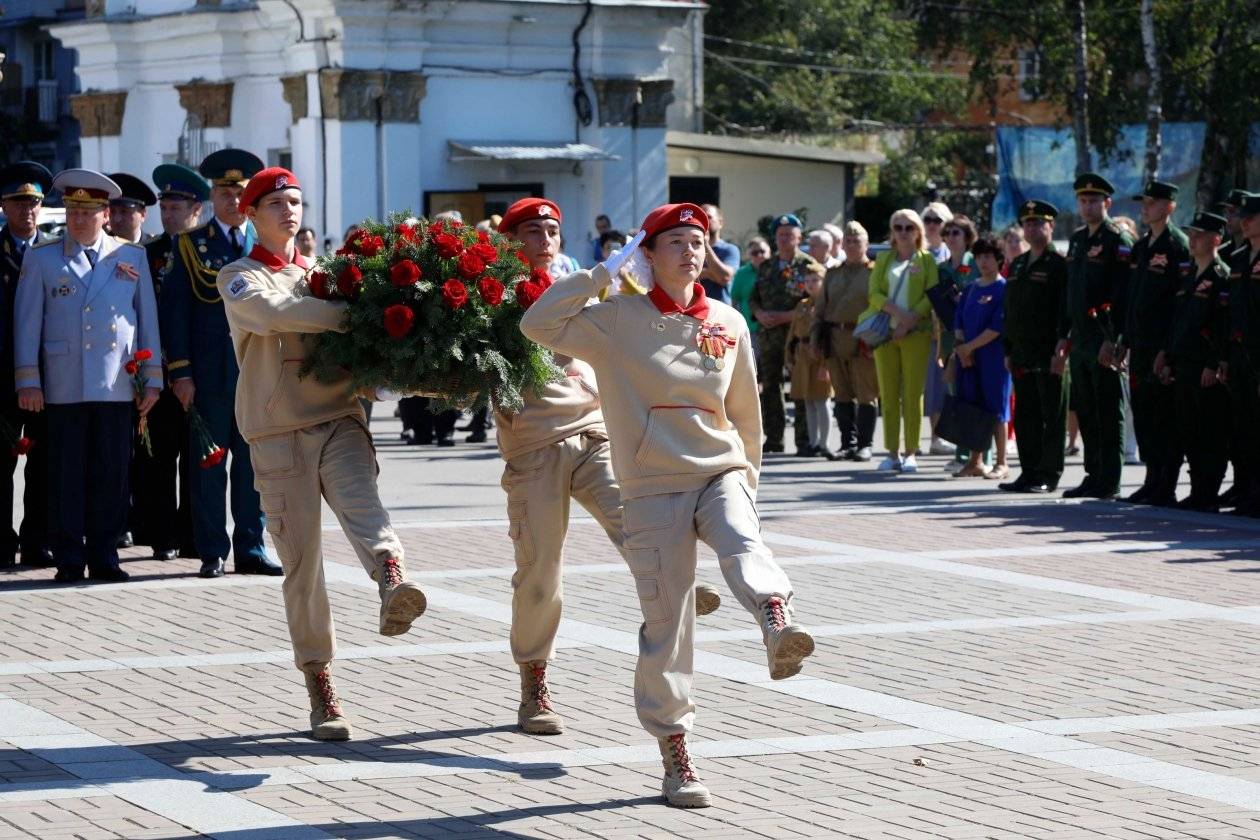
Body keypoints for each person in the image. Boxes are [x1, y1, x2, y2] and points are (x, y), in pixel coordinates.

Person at [521, 202, 815, 809]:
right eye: (674, 242)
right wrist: (602, 272)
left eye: (699, 241)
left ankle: (775, 616)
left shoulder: (729, 321)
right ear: (647, 255)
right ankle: (676, 752)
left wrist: (750, 481)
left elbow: (746, 415)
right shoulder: (615, 319)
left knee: (742, 537)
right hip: (652, 488)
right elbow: (537, 325)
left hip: (719, 469)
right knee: (667, 626)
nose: (690, 252)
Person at [495, 197, 720, 737]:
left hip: (593, 430)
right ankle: (534, 681)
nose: (545, 239)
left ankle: (675, 580)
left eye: (552, 228)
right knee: (540, 574)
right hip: (532, 443)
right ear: (511, 241)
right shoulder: (492, 293)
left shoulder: (587, 284)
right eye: (532, 231)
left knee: (636, 518)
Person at [217, 167, 427, 740]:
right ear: (252, 213)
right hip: (278, 431)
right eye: (277, 203)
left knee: (366, 508)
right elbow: (274, 316)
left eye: (296, 202)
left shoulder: (329, 276)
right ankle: (320, 682)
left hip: (338, 418)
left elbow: (364, 350)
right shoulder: (238, 277)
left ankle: (393, 582)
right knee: (302, 563)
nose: (290, 211)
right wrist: (355, 314)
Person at [15, 169, 162, 583]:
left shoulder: (129, 257)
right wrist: (28, 379)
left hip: (116, 382)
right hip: (64, 383)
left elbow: (146, 320)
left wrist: (152, 379)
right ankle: (67, 557)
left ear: (106, 215)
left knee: (112, 474)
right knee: (66, 474)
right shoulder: (42, 257)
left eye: (88, 212)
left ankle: (104, 555)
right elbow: (27, 323)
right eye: (73, 211)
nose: (79, 220)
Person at [161, 149, 275, 578]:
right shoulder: (191, 245)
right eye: (224, 192)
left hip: (256, 375)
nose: (232, 200)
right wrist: (182, 373)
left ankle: (251, 546)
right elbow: (176, 314)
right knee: (209, 465)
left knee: (253, 468)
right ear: (212, 195)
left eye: (240, 192)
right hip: (208, 377)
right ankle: (212, 549)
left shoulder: (264, 245)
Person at [130, 163, 209, 562]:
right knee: (159, 459)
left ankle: (195, 535)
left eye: (176, 205)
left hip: (198, 372)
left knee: (197, 461)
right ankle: (162, 536)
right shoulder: (150, 254)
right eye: (164, 205)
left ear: (196, 208)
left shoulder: (206, 252)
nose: (168, 212)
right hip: (157, 373)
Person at [1056, 173, 1135, 501]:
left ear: (1107, 203)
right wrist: (1063, 335)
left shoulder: (1117, 239)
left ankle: (1111, 479)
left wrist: (1113, 338)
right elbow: (1070, 292)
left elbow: (1124, 293)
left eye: (1094, 201)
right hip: (1081, 338)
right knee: (1086, 409)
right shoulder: (1077, 240)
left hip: (1103, 336)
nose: (1087, 206)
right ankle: (1094, 474)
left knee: (1107, 408)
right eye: (1083, 200)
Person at [0, 162, 55, 569]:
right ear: (3, 206)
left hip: (48, 376)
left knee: (44, 463)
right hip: (1, 380)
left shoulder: (55, 253)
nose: (28, 211)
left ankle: (38, 541)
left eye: (34, 202)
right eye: (19, 203)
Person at [1123, 181, 1191, 507]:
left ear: (1170, 207)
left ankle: (1167, 483)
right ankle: (1152, 479)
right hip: (1139, 344)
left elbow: (1180, 304)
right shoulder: (1141, 247)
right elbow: (1132, 298)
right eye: (1144, 201)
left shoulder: (1178, 246)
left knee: (1165, 416)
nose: (1145, 206)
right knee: (1145, 413)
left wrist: (1168, 350)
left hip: (1162, 346)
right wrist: (1123, 339)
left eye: (1152, 202)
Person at [860, 209, 939, 473]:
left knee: (913, 394)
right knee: (889, 395)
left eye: (909, 227)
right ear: (892, 232)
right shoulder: (883, 259)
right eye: (898, 227)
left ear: (918, 231)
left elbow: (931, 295)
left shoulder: (926, 259)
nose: (903, 232)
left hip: (916, 334)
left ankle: (911, 453)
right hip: (885, 335)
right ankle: (892, 452)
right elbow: (874, 294)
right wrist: (897, 315)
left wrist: (909, 320)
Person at [1162, 211, 1231, 511]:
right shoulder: (1190, 276)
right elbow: (1177, 322)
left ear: (1216, 239)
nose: (1193, 239)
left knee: (1209, 433)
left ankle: (1207, 493)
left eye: (1200, 235)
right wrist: (1167, 356)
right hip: (1183, 364)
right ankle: (1197, 490)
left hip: (1204, 366)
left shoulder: (1220, 276)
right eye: (1191, 233)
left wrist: (1214, 362)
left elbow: (1223, 325)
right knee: (1187, 430)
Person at [1000, 200, 1069, 493]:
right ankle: (1028, 472)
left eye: (1038, 222)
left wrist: (1062, 348)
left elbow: (1065, 309)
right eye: (1027, 223)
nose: (1032, 227)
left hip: (1048, 351)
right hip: (1021, 352)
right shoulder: (1018, 263)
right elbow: (1010, 310)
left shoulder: (1059, 264)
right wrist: (1007, 350)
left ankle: (1048, 474)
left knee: (1050, 416)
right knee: (1026, 416)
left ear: (1050, 226)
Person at [750, 214, 823, 454]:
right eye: (780, 235)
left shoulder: (809, 265)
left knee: (801, 386)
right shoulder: (767, 266)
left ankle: (803, 440)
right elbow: (753, 298)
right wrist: (759, 313)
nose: (784, 240)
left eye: (789, 235)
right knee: (771, 387)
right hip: (769, 336)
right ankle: (774, 439)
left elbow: (816, 302)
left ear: (799, 237)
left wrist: (786, 316)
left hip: (798, 335)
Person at [813, 222, 878, 461]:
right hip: (834, 338)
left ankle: (864, 444)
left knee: (866, 393)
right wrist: (816, 340)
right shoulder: (833, 273)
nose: (852, 245)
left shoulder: (873, 272)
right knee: (841, 393)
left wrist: (876, 339)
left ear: (866, 245)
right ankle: (846, 443)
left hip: (863, 339)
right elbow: (820, 309)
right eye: (848, 241)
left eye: (857, 241)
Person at [951, 234, 1012, 479]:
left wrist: (970, 347)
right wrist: (961, 349)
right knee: (973, 407)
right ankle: (975, 461)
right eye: (979, 257)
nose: (983, 262)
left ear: (998, 259)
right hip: (969, 359)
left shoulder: (1004, 288)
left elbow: (997, 327)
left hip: (993, 359)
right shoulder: (971, 288)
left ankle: (1001, 462)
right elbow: (958, 322)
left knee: (997, 409)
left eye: (988, 256)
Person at [927, 215, 978, 459]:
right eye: (947, 234)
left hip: (975, 336)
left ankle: (978, 454)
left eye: (956, 233)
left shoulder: (977, 263)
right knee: (954, 394)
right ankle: (961, 454)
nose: (950, 238)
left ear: (967, 237)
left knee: (974, 394)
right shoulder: (942, 269)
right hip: (949, 337)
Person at [1223, 194, 1260, 515]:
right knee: (1244, 426)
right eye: (1242, 217)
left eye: (1251, 217)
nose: (1244, 221)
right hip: (1239, 353)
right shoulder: (1237, 257)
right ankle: (1248, 490)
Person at [787, 270, 831, 456]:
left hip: (820, 355)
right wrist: (788, 357)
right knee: (809, 401)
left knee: (822, 400)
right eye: (807, 280)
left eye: (815, 280)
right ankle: (813, 443)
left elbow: (830, 336)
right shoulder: (802, 305)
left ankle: (824, 443)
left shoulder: (828, 304)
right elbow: (792, 333)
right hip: (803, 355)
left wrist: (826, 365)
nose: (810, 284)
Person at [698, 204, 739, 305]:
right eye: (701, 218)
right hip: (693, 310)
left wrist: (705, 245)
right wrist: (710, 273)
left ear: (720, 223)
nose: (705, 221)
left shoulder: (730, 249)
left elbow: (724, 277)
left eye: (709, 217)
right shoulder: (691, 249)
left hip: (721, 310)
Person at [730, 236, 769, 335]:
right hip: (750, 329)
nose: (759, 255)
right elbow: (734, 301)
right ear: (749, 255)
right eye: (754, 253)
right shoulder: (741, 273)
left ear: (769, 251)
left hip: (775, 328)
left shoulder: (777, 271)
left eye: (762, 251)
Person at [105, 173, 156, 244]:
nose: (117, 219)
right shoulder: (99, 247)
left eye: (124, 212)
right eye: (112, 211)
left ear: (142, 214)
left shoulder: (154, 247)